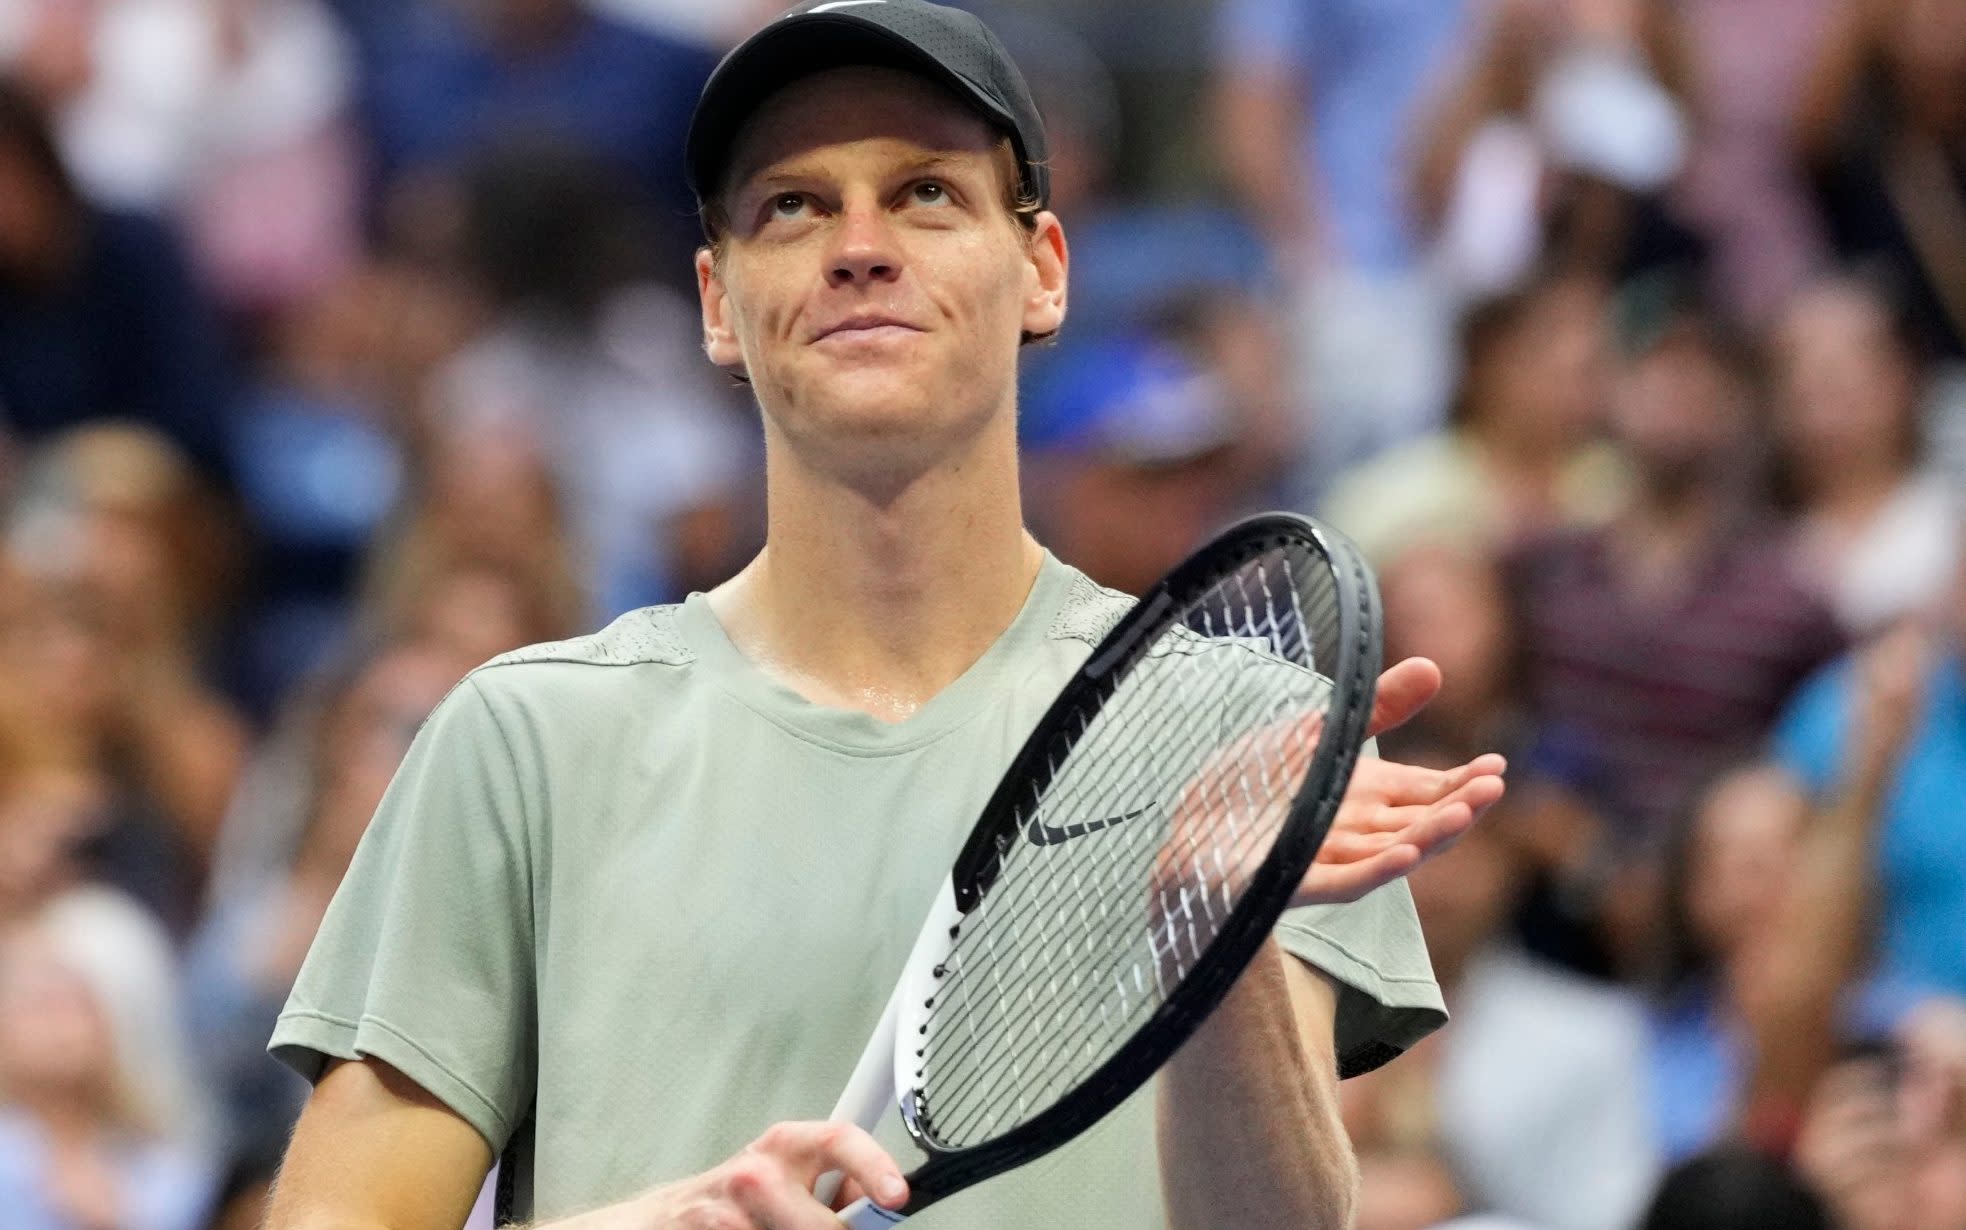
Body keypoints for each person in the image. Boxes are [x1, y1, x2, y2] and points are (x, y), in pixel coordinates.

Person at [259, 4, 1507, 1229]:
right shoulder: (521, 739)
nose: (858, 245)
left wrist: (1206, 940)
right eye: (792, 205)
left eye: (925, 194)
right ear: (714, 301)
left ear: (1043, 271)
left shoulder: (1244, 731)